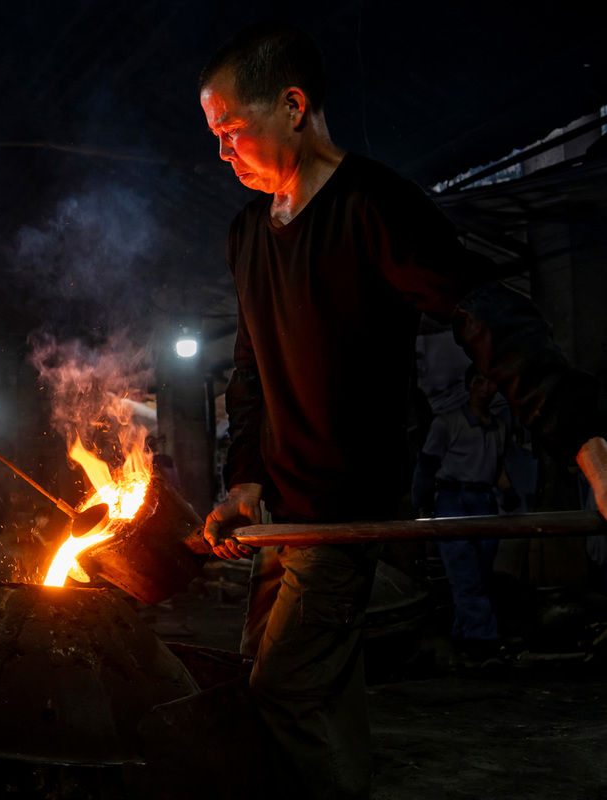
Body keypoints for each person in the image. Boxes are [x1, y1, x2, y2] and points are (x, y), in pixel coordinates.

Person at [196, 22, 607, 800]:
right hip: (280, 509)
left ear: (292, 105)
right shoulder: (247, 232)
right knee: (309, 681)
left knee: (282, 689)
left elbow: (483, 312)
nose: (223, 154)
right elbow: (249, 368)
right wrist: (244, 479)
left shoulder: (375, 207)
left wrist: (585, 440)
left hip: (345, 508)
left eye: (231, 131)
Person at [412, 364, 517, 666]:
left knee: (480, 574)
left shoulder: (497, 426)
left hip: (483, 501)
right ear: (470, 384)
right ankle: (484, 640)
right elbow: (428, 463)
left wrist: (506, 491)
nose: (487, 388)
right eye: (480, 381)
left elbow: (497, 467)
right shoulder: (449, 422)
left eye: (491, 382)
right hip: (453, 500)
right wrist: (421, 499)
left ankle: (464, 636)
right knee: (465, 575)